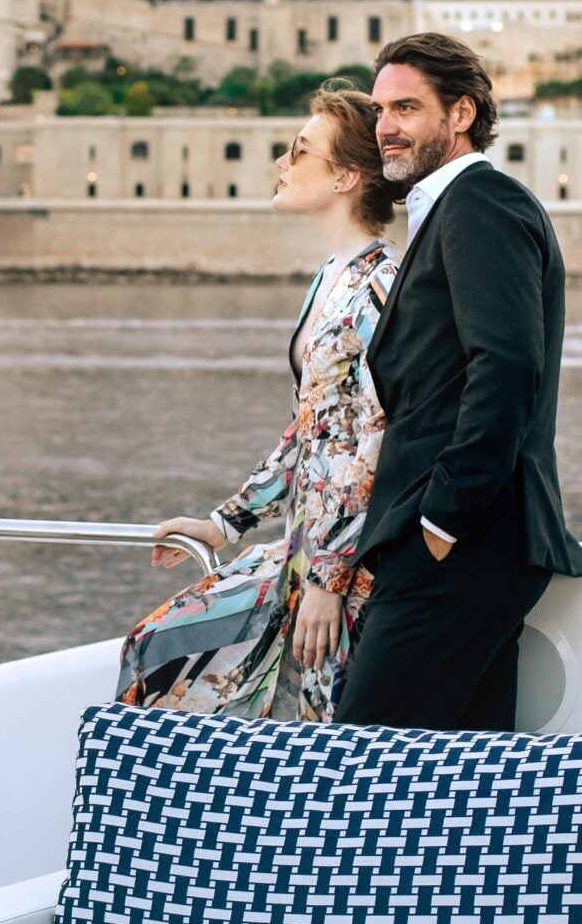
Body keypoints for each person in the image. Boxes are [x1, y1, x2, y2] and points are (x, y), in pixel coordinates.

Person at [117, 86, 402, 721]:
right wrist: (225, 523)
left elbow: (371, 447)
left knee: (320, 732)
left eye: (299, 151)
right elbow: (312, 429)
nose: (282, 162)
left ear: (346, 177)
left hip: (341, 574)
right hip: (306, 553)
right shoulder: (330, 278)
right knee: (153, 654)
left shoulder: (378, 289)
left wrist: (328, 581)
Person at [333, 31, 582, 731]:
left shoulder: (481, 203)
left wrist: (443, 521)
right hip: (464, 547)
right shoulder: (449, 210)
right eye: (381, 109)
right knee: (460, 783)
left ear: (461, 114)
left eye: (407, 108)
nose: (385, 125)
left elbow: (505, 366)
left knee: (362, 762)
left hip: (463, 547)